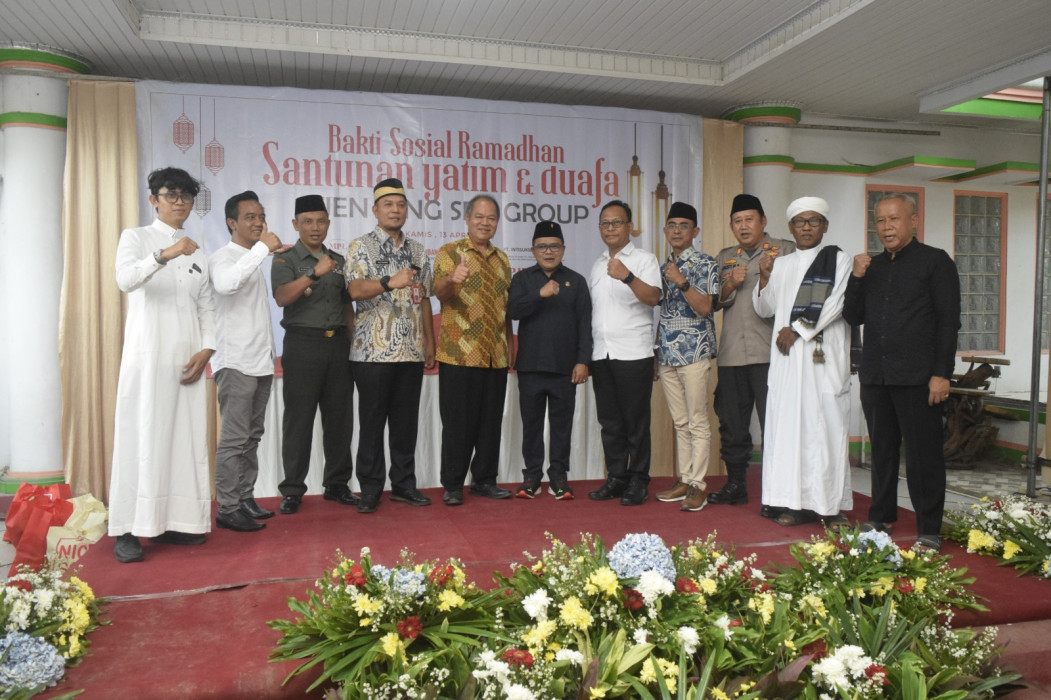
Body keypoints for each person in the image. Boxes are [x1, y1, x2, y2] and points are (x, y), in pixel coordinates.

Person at [109, 167, 215, 563]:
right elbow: (125, 280)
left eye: (186, 196)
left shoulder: (197, 249)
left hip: (187, 358)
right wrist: (163, 255)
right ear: (154, 199)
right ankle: (126, 528)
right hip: (148, 355)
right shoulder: (136, 238)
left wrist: (207, 349)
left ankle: (175, 522)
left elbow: (205, 304)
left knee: (182, 439)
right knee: (142, 435)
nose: (179, 202)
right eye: (171, 194)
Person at [843, 193, 960, 553]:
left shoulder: (935, 262)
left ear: (914, 221)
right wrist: (857, 278)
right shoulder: (872, 267)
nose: (887, 227)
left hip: (919, 378)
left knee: (924, 456)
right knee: (881, 453)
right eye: (880, 221)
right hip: (876, 376)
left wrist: (942, 374)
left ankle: (928, 529)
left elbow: (948, 322)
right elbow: (853, 316)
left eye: (894, 219)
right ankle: (881, 516)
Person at [753, 196, 852, 527]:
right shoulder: (780, 264)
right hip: (787, 363)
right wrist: (765, 277)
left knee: (826, 430)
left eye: (813, 221)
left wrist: (796, 329)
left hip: (820, 359)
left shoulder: (839, 260)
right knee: (788, 431)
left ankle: (829, 506)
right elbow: (764, 309)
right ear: (790, 227)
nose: (806, 227)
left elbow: (835, 304)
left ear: (825, 225)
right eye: (799, 222)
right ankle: (791, 503)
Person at [346, 178, 435, 514]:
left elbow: (424, 298)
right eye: (388, 205)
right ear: (375, 210)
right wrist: (388, 281)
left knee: (405, 423)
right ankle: (370, 488)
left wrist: (429, 340)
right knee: (371, 423)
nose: (395, 210)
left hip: (410, 351)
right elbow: (354, 290)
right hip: (372, 351)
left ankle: (403, 485)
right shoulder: (359, 246)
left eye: (400, 205)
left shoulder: (417, 250)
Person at [708, 194, 795, 514]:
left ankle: (778, 493)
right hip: (731, 354)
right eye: (737, 221)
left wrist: (771, 276)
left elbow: (798, 293)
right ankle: (736, 485)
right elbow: (713, 302)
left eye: (749, 220)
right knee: (731, 424)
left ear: (763, 222)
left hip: (771, 354)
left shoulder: (784, 251)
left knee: (775, 425)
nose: (743, 226)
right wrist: (730, 283)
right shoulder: (725, 257)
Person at [271, 194, 356, 515]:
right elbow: (281, 297)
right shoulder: (286, 259)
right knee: (299, 419)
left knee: (340, 420)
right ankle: (293, 489)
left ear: (328, 224)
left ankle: (337, 485)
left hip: (337, 347)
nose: (315, 227)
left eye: (321, 221)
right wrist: (314, 273)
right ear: (296, 224)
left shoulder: (339, 260)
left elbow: (347, 306)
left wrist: (352, 343)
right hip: (302, 345)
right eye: (307, 221)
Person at [208, 191, 285, 533]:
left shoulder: (255, 259)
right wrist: (261, 250)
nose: (258, 222)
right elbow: (226, 286)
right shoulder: (222, 258)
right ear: (231, 223)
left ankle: (244, 497)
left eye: (261, 216)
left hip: (261, 361)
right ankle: (227, 506)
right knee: (234, 439)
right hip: (235, 361)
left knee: (252, 436)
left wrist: (261, 254)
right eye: (250, 217)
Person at [433, 194, 514, 505]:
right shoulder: (450, 253)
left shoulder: (503, 260)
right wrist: (453, 279)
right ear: (467, 219)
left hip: (495, 353)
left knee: (490, 421)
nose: (485, 222)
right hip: (459, 353)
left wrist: (509, 345)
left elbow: (505, 307)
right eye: (479, 216)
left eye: (491, 217)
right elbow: (439, 293)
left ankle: (485, 480)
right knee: (457, 423)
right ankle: (453, 485)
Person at [507, 221, 592, 500]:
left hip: (565, 368)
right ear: (533, 250)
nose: (548, 251)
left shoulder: (576, 281)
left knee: (561, 425)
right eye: (542, 246)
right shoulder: (522, 280)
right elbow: (513, 311)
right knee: (531, 425)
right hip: (530, 366)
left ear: (563, 249)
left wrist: (583, 361)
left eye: (554, 246)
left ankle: (558, 477)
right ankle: (531, 476)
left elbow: (585, 324)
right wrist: (539, 294)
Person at [587, 200, 661, 506]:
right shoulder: (597, 264)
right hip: (602, 354)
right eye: (605, 223)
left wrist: (627, 276)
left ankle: (638, 480)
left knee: (636, 422)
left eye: (616, 223)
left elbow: (654, 297)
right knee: (610, 422)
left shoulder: (644, 259)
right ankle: (617, 477)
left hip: (633, 353)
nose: (610, 229)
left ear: (630, 227)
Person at [654, 202, 720, 512]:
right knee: (680, 422)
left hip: (694, 351)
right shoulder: (663, 264)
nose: (677, 230)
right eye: (672, 225)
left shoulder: (705, 263)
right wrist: (657, 352)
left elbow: (705, 307)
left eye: (684, 226)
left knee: (697, 421)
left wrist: (680, 280)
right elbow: (664, 313)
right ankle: (684, 478)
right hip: (667, 352)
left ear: (695, 231)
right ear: (665, 231)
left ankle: (699, 484)